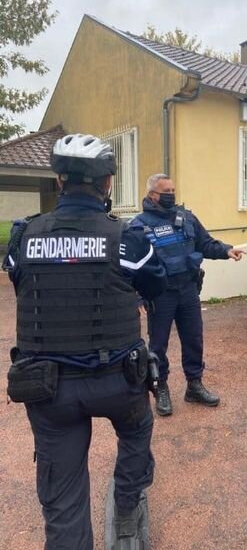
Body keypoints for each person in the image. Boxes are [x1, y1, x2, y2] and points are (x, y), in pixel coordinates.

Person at [3, 134, 167, 550]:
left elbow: (20, 279)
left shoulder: (23, 238)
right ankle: (128, 508)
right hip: (117, 380)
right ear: (108, 182)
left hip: (48, 387)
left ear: (59, 180)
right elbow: (156, 283)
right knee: (136, 432)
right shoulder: (127, 238)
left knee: (63, 497)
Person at [131, 174, 246, 417]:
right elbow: (131, 265)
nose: (171, 194)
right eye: (166, 191)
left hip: (188, 290)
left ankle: (194, 385)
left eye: (173, 189)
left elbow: (205, 244)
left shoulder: (187, 218)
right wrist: (136, 296)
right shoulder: (138, 225)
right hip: (160, 294)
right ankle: (160, 387)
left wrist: (227, 250)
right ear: (152, 194)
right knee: (158, 344)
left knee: (194, 339)